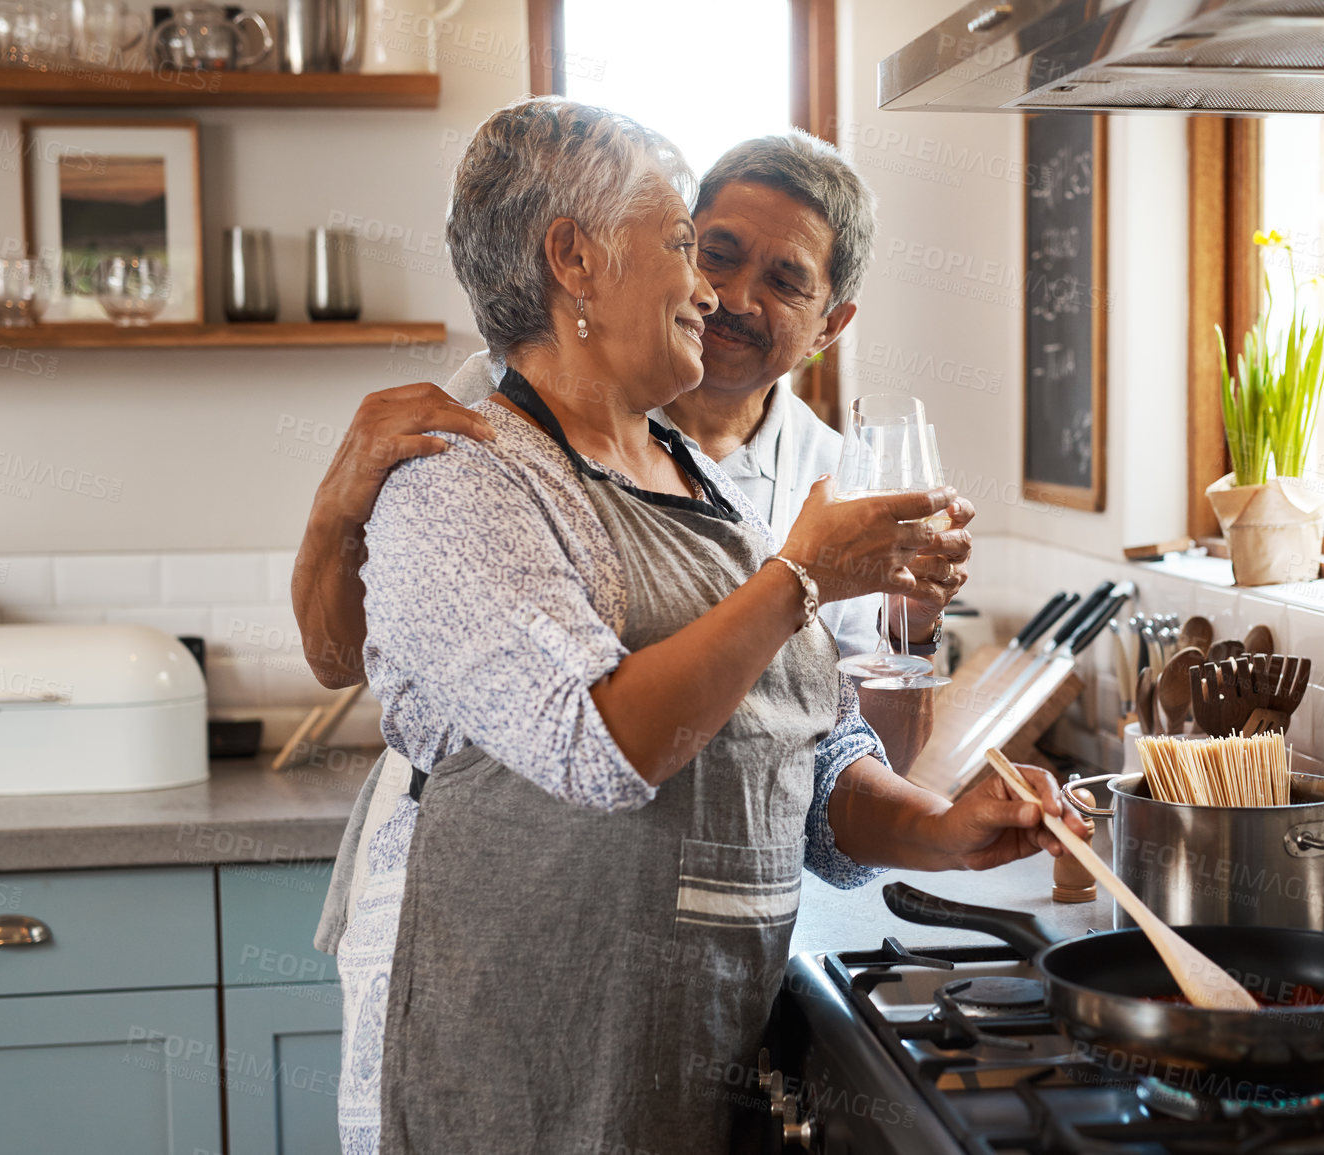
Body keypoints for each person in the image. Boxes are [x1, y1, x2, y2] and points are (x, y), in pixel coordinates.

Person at [334, 96, 1083, 1154]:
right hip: (531, 1036)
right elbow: (594, 746)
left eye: (774, 276)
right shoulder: (469, 468)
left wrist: (937, 831)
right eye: (690, 245)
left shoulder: (692, 475)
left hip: (684, 1026)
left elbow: (806, 748)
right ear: (574, 259)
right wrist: (796, 578)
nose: (712, 291)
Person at [291, 132, 967, 774]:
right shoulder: (500, 400)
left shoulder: (843, 485)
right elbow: (339, 660)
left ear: (830, 325)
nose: (730, 297)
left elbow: (869, 763)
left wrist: (913, 626)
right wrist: (334, 511)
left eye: (785, 281)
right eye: (715, 252)